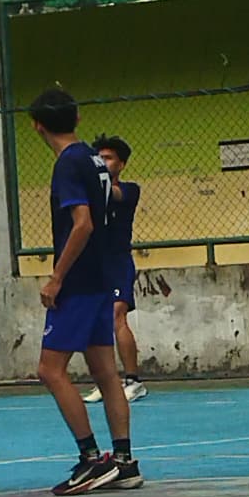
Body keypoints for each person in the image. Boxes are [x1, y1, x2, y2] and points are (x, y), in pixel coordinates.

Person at [30, 86, 135, 493]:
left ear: (37, 126)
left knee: (50, 369)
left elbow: (83, 223)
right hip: (101, 277)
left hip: (78, 282)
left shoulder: (69, 163)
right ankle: (124, 461)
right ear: (76, 118)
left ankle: (91, 458)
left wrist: (57, 276)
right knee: (106, 372)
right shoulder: (94, 160)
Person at [90, 134, 158, 403]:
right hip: (94, 263)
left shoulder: (129, 190)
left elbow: (113, 194)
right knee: (97, 322)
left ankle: (134, 381)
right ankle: (107, 381)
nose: (103, 162)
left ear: (121, 164)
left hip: (118, 262)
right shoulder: (88, 194)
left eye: (108, 158)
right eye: (99, 158)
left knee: (117, 314)